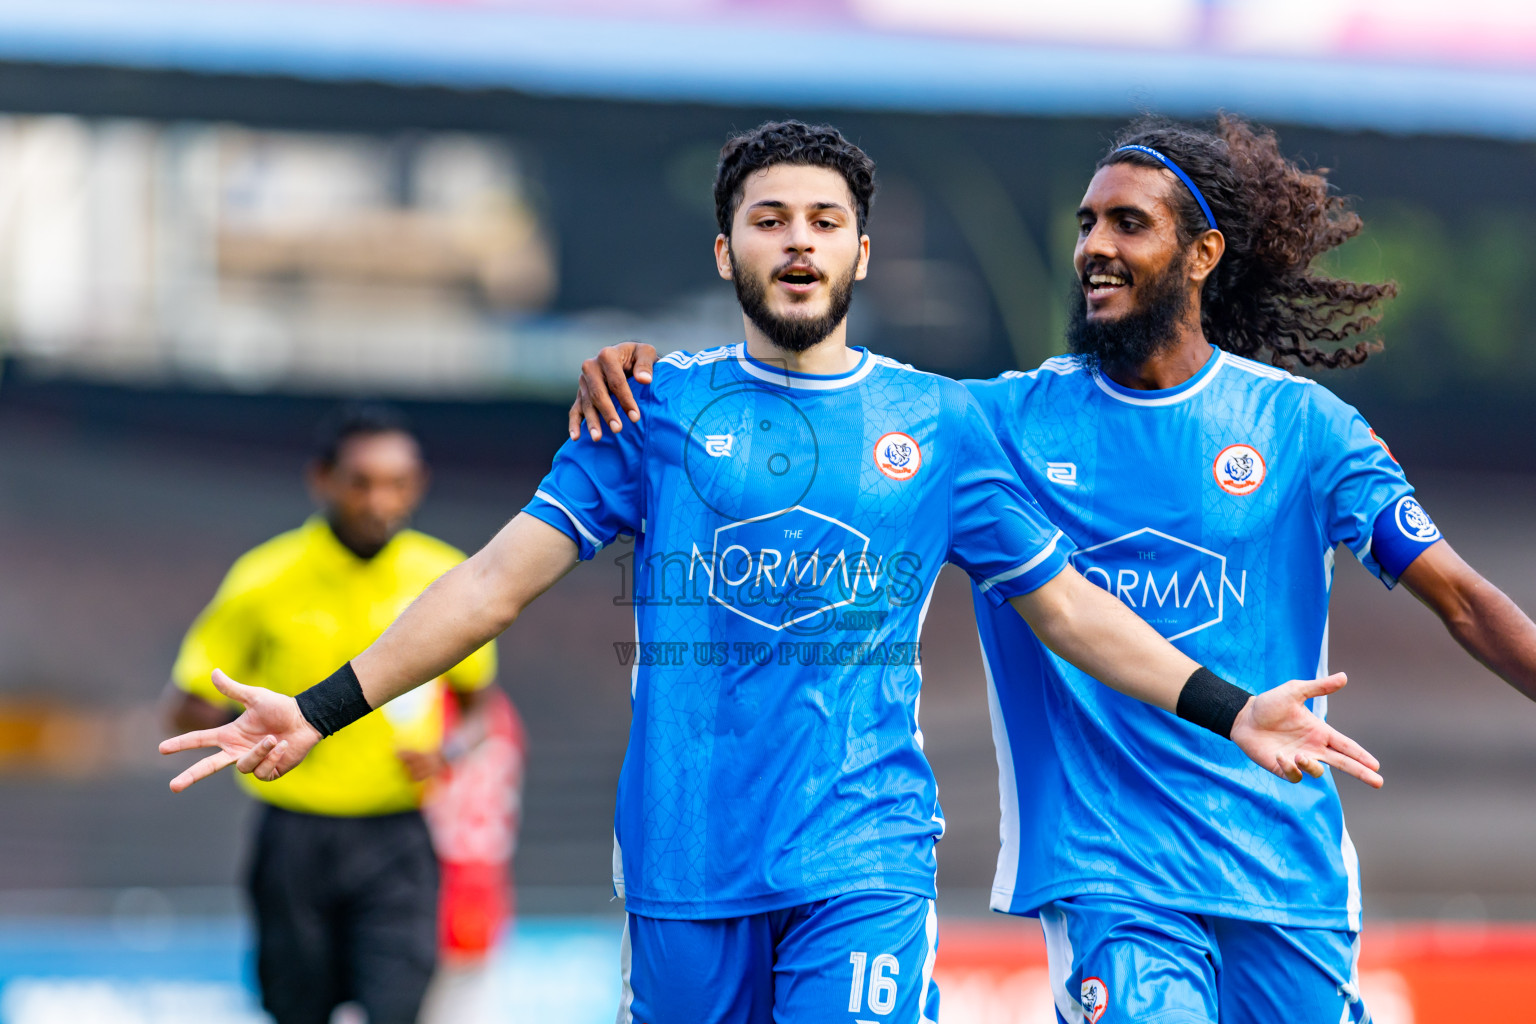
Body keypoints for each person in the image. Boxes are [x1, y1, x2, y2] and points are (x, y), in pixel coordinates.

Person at [161, 121, 1381, 1024]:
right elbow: (492, 583)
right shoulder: (652, 410)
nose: (797, 241)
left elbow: (1067, 605)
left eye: (823, 222)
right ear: (728, 247)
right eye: (769, 219)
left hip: (865, 854)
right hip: (683, 862)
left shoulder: (943, 426)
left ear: (860, 254)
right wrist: (323, 708)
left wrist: (1231, 704)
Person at [571, 115, 1536, 1024]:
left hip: (1283, 865)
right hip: (1108, 872)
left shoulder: (1303, 429)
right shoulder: (996, 423)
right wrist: (662, 381)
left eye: (1128, 223)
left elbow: (1459, 598)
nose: (1094, 247)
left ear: (1202, 255)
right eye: (1086, 224)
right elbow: (832, 397)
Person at [162, 403, 498, 1024]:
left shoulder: (446, 577)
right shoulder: (265, 578)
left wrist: (449, 750)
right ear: (322, 480)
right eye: (361, 482)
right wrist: (204, 718)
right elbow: (188, 698)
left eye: (398, 484)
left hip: (398, 836)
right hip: (295, 835)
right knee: (297, 1010)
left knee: (398, 1008)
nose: (380, 501)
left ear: (419, 485)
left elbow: (480, 709)